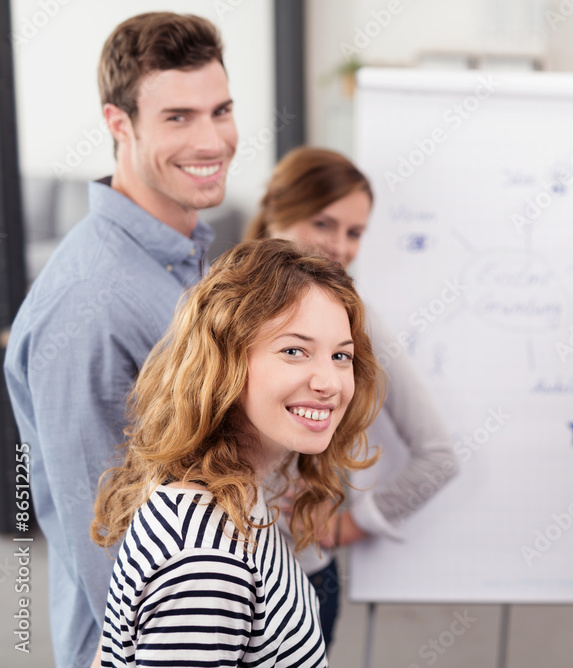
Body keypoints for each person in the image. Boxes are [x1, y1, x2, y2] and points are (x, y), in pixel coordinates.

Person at [3, 12, 235, 666]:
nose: (213, 139)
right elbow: (105, 538)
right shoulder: (90, 302)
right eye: (178, 117)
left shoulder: (180, 260)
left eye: (220, 110)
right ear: (118, 125)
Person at [91, 239, 383, 667]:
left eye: (341, 355)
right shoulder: (207, 561)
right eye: (293, 351)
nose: (330, 382)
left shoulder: (231, 491)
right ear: (224, 362)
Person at [245, 146, 458, 643]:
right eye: (324, 223)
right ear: (278, 208)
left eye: (355, 232)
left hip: (298, 584)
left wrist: (346, 526)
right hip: (211, 568)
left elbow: (439, 457)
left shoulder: (353, 321)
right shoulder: (221, 298)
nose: (339, 247)